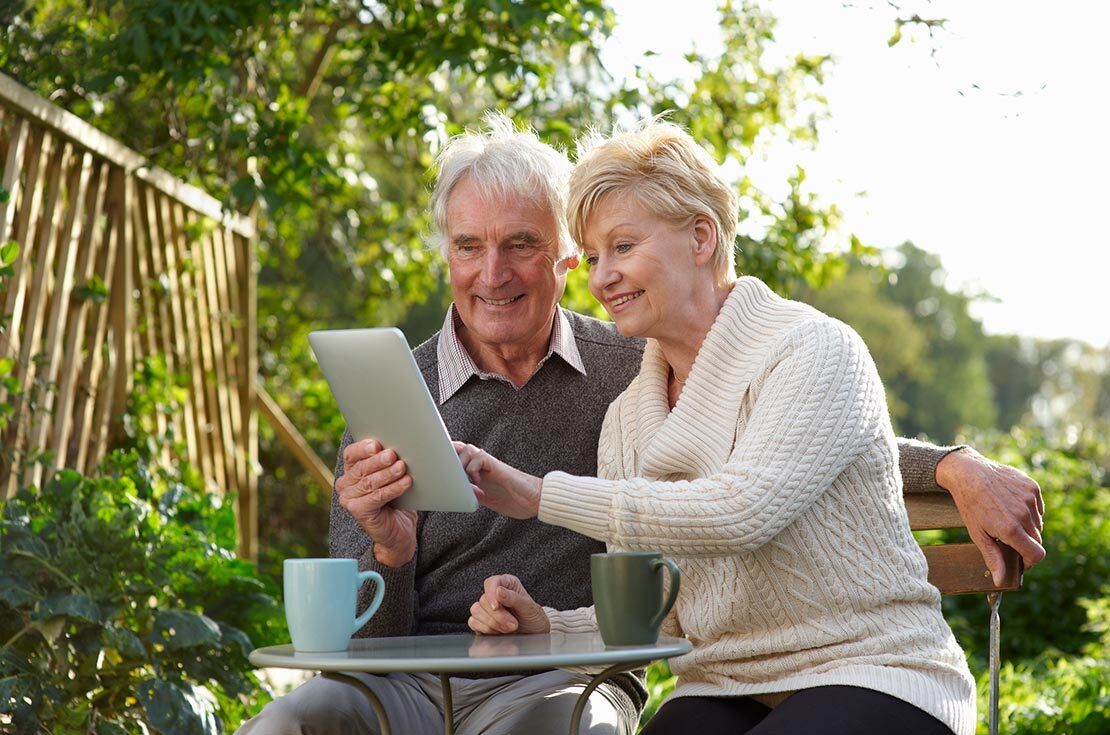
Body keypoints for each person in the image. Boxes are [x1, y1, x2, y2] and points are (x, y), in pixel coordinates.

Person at [237, 114, 1044, 735]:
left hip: (777, 673)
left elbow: (770, 472)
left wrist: (951, 464)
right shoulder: (435, 387)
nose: (493, 273)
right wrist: (398, 550)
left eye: (526, 244)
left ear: (559, 261)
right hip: (662, 679)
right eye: (469, 246)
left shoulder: (659, 361)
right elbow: (653, 595)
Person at [453, 120, 1012, 735]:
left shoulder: (812, 349)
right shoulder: (627, 418)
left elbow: (740, 511)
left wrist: (538, 495)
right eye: (592, 257)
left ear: (701, 237)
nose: (602, 276)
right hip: (725, 685)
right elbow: (657, 613)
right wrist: (547, 624)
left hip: (873, 670)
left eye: (623, 246)